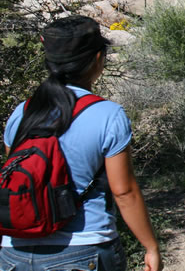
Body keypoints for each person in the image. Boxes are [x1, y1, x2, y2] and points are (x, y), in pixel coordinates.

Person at [1, 16, 162, 271]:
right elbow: (124, 192)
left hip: (14, 252)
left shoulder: (22, 113)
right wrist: (150, 246)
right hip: (84, 249)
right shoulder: (108, 115)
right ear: (98, 59)